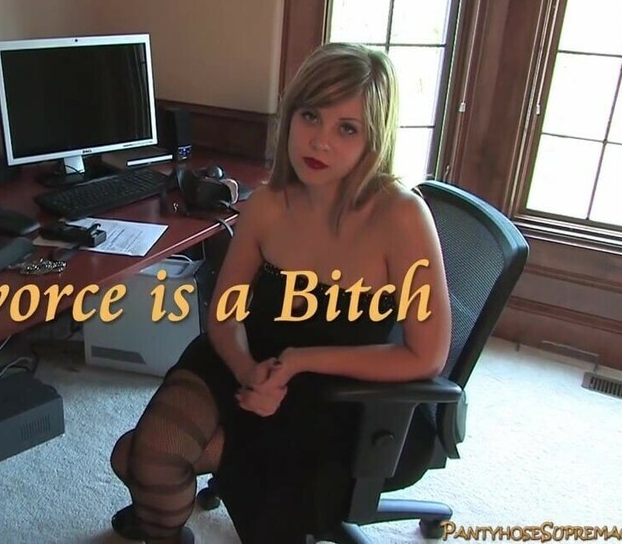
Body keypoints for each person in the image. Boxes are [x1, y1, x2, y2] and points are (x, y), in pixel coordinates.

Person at [108, 42, 452, 543]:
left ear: (374, 139)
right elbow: (225, 316)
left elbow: (427, 356)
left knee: (144, 462)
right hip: (248, 362)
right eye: (310, 116)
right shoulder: (268, 203)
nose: (320, 142)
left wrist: (300, 360)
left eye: (347, 129)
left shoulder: (400, 216)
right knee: (142, 456)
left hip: (338, 396)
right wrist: (248, 371)